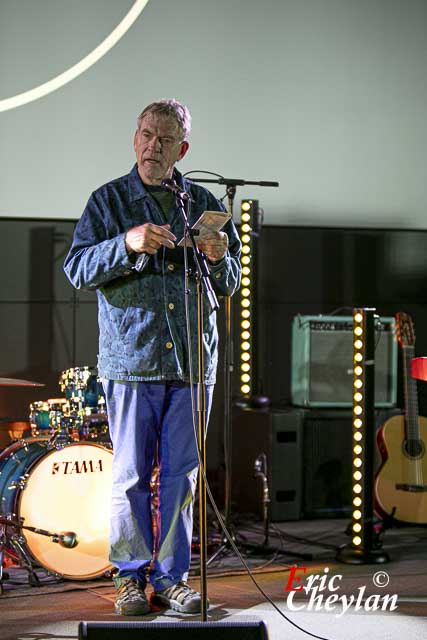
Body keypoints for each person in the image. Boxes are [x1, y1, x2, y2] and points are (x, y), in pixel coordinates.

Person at [64, 99, 241, 616]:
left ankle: (172, 579)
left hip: (191, 364)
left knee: (183, 477)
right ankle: (128, 577)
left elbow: (228, 284)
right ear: (133, 138)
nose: (152, 146)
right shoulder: (109, 201)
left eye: (164, 139)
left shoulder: (201, 201)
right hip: (132, 362)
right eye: (145, 134)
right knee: (131, 476)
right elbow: (76, 268)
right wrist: (127, 242)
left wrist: (219, 256)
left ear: (182, 148)